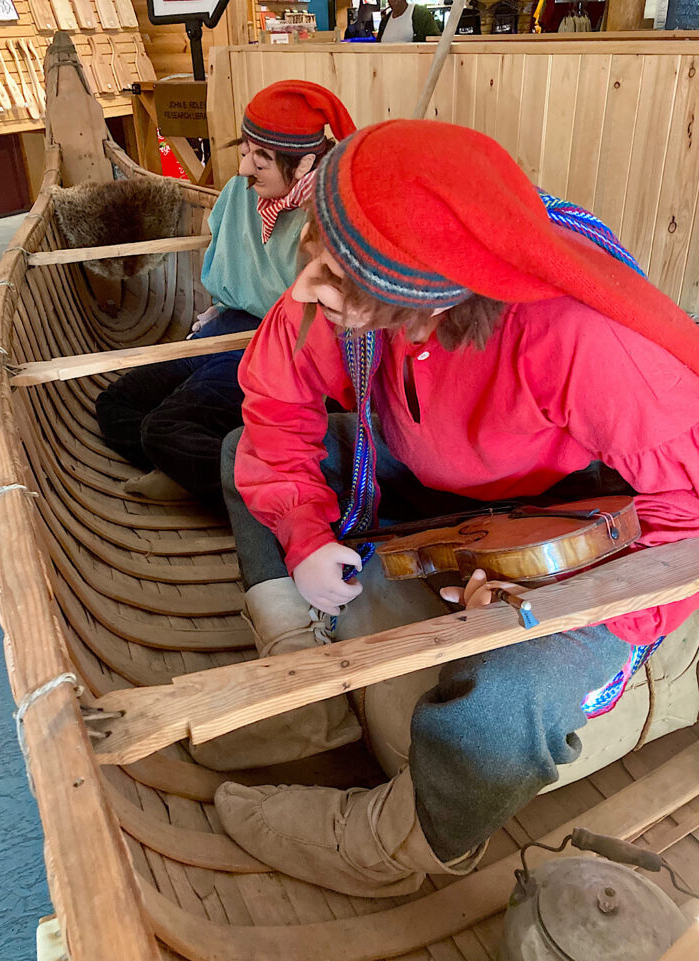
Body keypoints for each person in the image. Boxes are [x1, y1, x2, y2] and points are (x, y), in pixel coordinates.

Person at [203, 119, 699, 896]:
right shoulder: (349, 271)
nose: (303, 290)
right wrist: (302, 539)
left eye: (337, 286)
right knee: (243, 451)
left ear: (429, 305)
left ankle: (396, 851)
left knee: (517, 693)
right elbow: (277, 402)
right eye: (311, 254)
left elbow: (689, 516)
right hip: (417, 458)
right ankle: (304, 670)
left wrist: (566, 605)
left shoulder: (579, 337)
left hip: (560, 506)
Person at [94, 81, 355, 506]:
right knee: (117, 404)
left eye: (261, 159)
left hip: (284, 345)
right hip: (230, 325)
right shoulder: (243, 191)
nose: (244, 169)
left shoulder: (329, 211)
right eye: (245, 150)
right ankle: (194, 469)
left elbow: (331, 317)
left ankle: (271, 494)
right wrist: (219, 306)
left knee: (164, 426)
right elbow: (228, 255)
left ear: (305, 162)